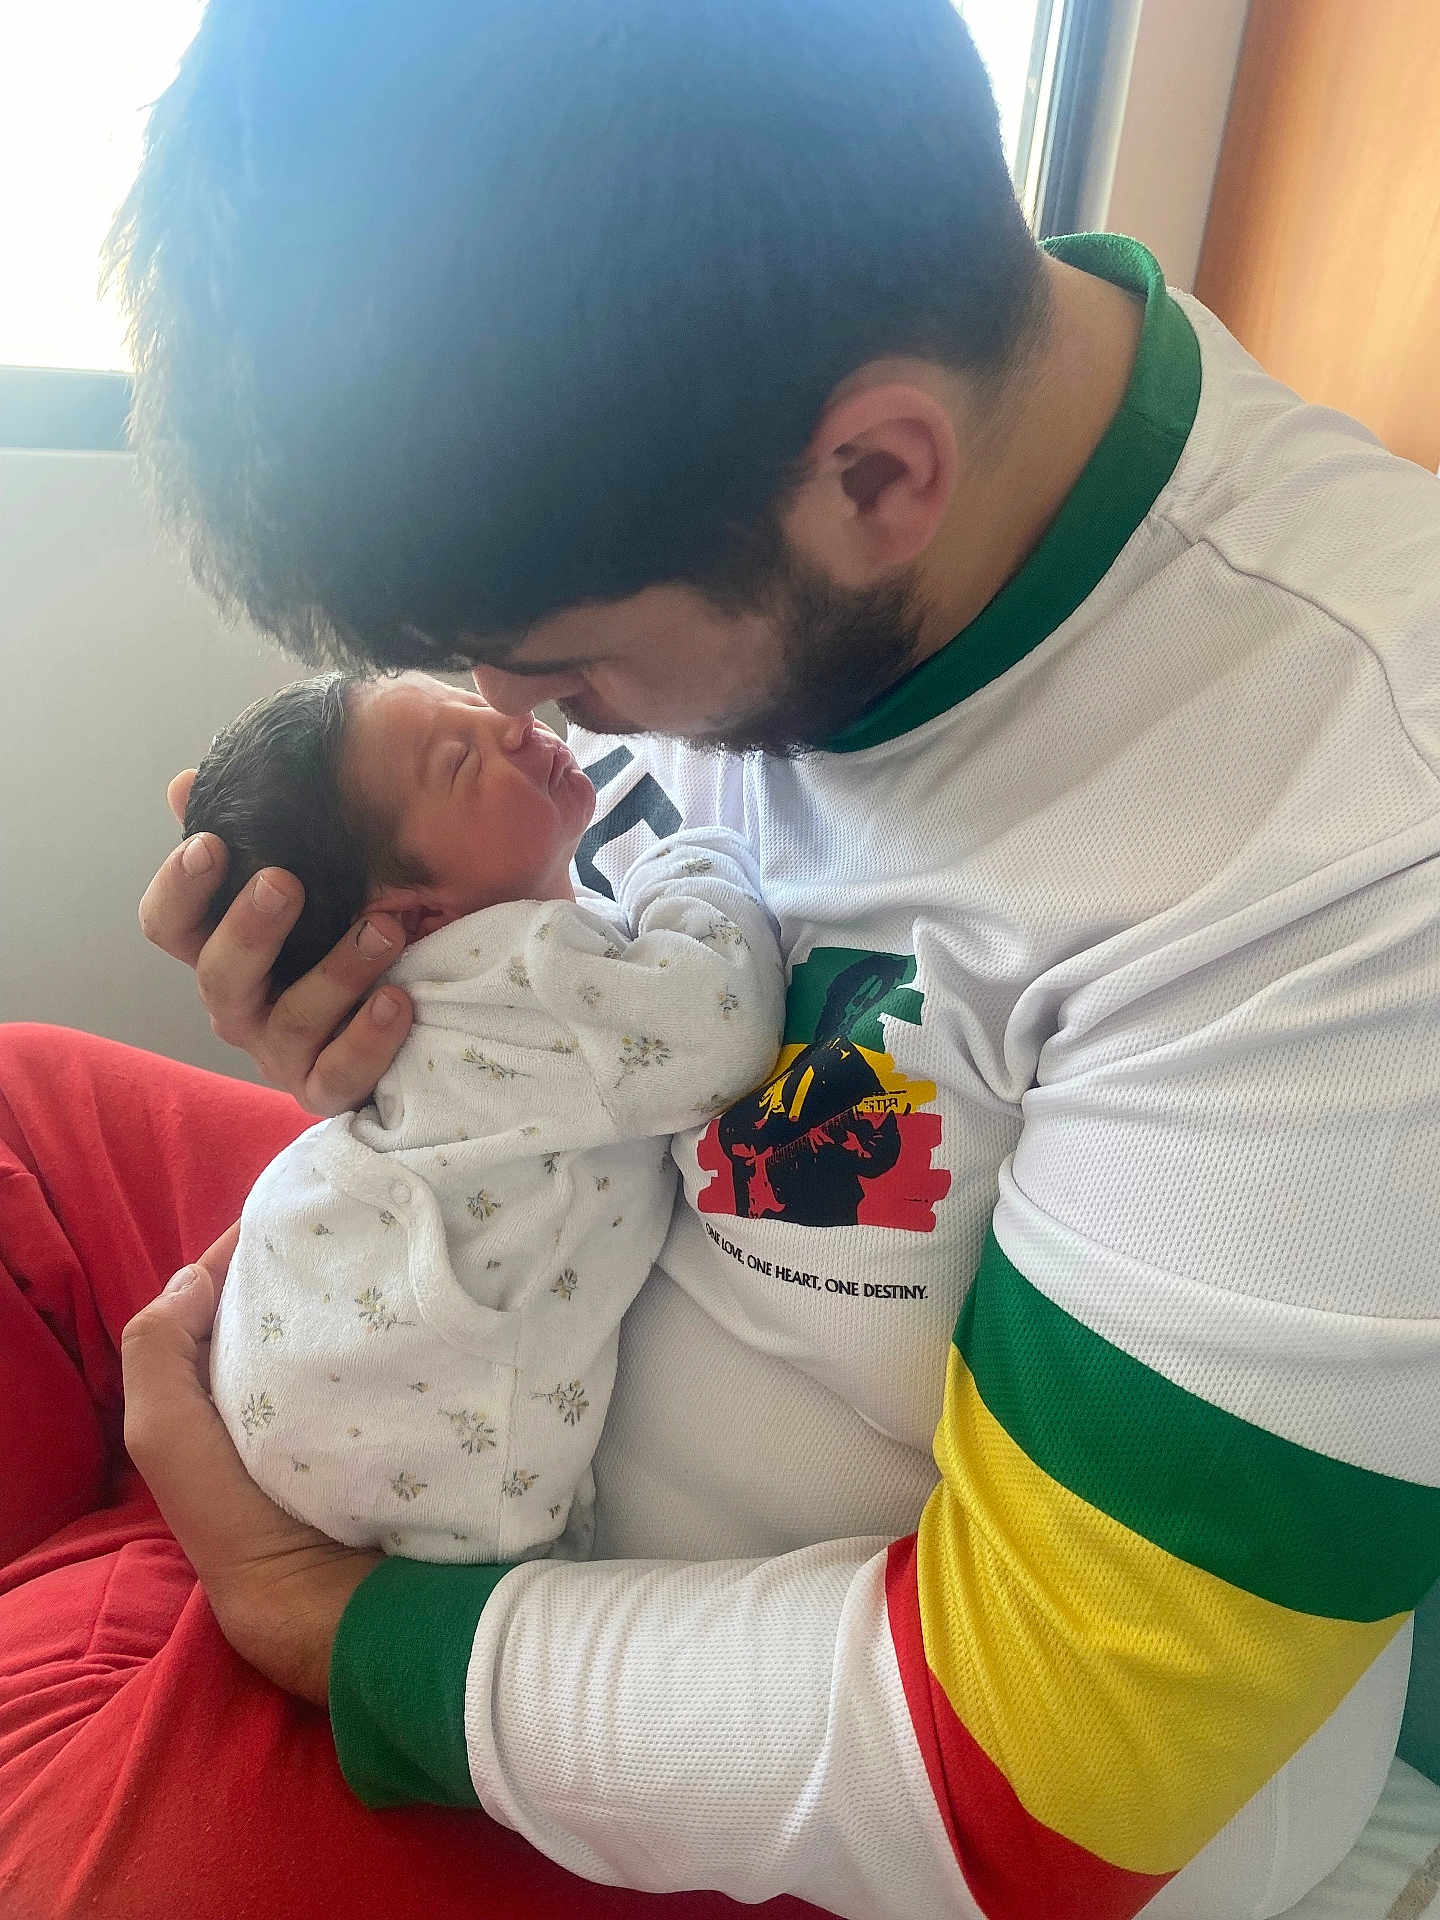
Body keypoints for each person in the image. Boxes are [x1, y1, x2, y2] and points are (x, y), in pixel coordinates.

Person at [3, 4, 1439, 1919]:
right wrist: (388, 1058)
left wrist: (324, 1625)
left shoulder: (1351, 835)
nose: (529, 722)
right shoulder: (728, 455)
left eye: (567, 666)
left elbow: (1036, 1794)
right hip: (545, 1294)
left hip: (658, 1642)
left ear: (874, 478)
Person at [185, 668, 782, 1565]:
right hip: (413, 1412)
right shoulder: (532, 962)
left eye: (468, 707)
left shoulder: (434, 968)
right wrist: (688, 859)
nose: (509, 719)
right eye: (461, 761)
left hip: (300, 1352)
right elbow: (717, 1022)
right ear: (417, 912)